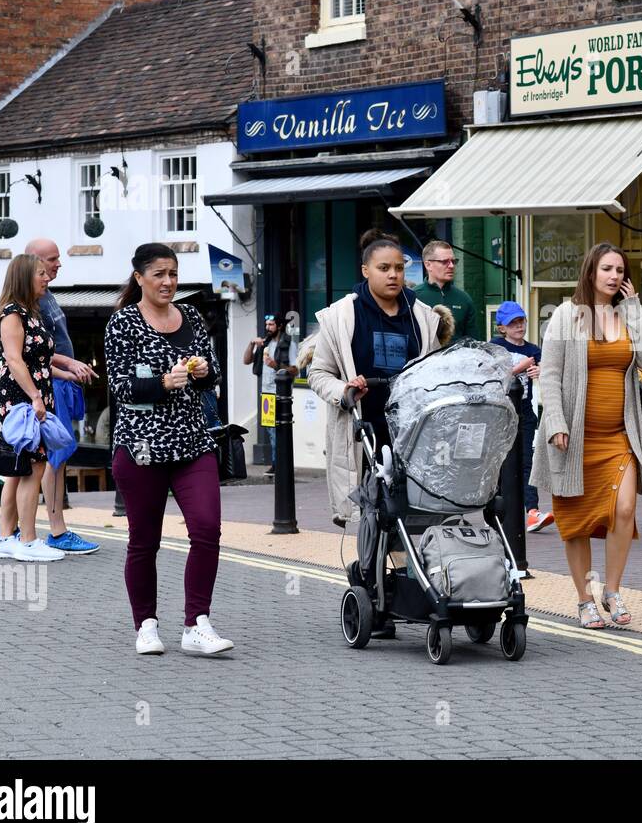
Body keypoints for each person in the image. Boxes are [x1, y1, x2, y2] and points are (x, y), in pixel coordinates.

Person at [106, 243, 232, 656]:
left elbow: (211, 372)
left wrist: (200, 371)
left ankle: (197, 624)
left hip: (193, 442)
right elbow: (120, 387)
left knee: (207, 528)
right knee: (145, 541)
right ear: (139, 277)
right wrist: (163, 383)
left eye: (173, 274)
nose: (167, 282)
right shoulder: (123, 322)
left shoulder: (192, 316)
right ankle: (145, 625)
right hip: (142, 448)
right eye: (159, 274)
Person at [531, 242, 642, 628]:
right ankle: (584, 598)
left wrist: (637, 311)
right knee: (577, 522)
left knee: (624, 509)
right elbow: (550, 373)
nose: (614, 276)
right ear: (591, 272)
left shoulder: (627, 316)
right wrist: (555, 422)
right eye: (607, 268)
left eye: (620, 270)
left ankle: (613, 590)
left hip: (620, 437)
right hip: (573, 440)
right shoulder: (566, 316)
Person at [308, 235, 453, 531]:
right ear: (365, 270)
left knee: (415, 521)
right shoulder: (341, 317)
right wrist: (345, 391)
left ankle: (408, 574)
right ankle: (375, 574)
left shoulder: (423, 317)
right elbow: (318, 374)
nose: (393, 275)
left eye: (399, 268)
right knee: (373, 521)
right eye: (384, 268)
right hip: (363, 435)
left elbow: (438, 375)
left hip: (413, 438)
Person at [25, 237, 100, 554]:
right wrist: (67, 366)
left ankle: (27, 530)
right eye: (52, 259)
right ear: (34, 260)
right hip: (50, 385)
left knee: (60, 454)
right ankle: (55, 530)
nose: (58, 264)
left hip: (62, 383)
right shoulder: (33, 298)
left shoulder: (47, 294)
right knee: (52, 457)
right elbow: (34, 350)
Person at [0, 254, 64, 563]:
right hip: (22, 402)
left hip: (30, 399)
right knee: (33, 468)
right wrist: (35, 397)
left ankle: (6, 538)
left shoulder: (31, 312)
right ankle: (29, 540)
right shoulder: (13, 314)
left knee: (18, 473)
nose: (46, 279)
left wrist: (66, 370)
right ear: (23, 277)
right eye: (40, 274)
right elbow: (15, 360)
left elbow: (39, 361)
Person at [490, 300, 553, 532]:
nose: (519, 326)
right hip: (500, 415)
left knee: (528, 462)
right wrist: (519, 368)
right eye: (512, 323)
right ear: (502, 328)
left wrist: (541, 371)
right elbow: (491, 376)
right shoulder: (495, 347)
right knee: (500, 464)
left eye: (521, 321)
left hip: (525, 415)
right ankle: (496, 509)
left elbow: (551, 373)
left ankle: (532, 512)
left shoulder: (533, 350)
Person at [243, 314, 297, 474]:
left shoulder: (288, 344)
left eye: (271, 324)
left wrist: (275, 365)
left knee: (279, 430)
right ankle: (277, 463)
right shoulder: (264, 343)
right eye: (266, 324)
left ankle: (279, 464)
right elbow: (246, 360)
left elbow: (295, 370)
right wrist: (251, 343)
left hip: (281, 394)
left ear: (279, 326)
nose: (268, 327)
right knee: (271, 430)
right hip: (266, 394)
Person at [415, 239, 478, 342]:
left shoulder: (464, 299)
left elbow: (473, 342)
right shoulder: (413, 297)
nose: (451, 266)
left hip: (458, 357)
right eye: (445, 262)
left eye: (453, 261)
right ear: (428, 265)